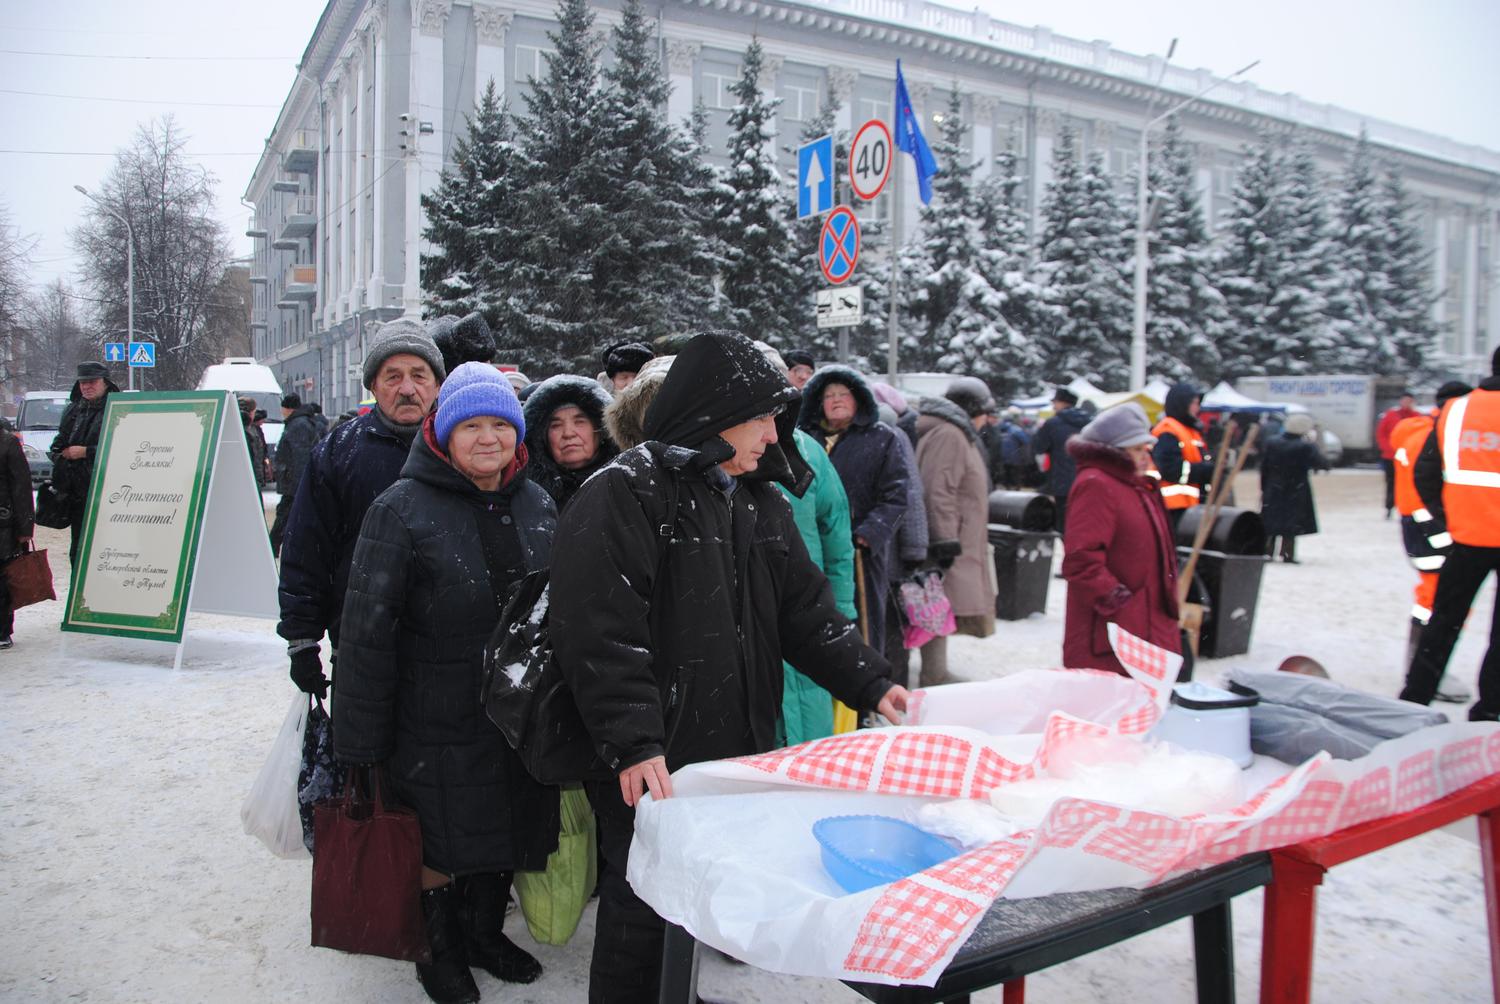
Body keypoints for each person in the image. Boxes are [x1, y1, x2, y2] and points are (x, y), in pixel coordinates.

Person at [550, 332, 908, 1004]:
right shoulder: (626, 491)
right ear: (718, 412)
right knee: (641, 905)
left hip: (728, 742)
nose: (775, 437)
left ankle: (673, 992)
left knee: (692, 894)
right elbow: (598, 630)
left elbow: (805, 610)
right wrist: (633, 740)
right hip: (651, 756)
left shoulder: (753, 496)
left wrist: (872, 679)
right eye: (764, 418)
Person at [335, 363, 556, 1004]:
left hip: (516, 714)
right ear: (443, 433)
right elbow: (367, 633)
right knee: (434, 836)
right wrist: (361, 743)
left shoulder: (537, 503)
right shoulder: (400, 509)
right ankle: (438, 948)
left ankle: (483, 931)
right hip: (430, 716)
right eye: (471, 426)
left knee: (502, 827)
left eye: (500, 425)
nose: (487, 438)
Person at [277, 319, 447, 698]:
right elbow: (307, 549)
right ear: (372, 385)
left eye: (419, 375)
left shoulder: (462, 445)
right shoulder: (339, 453)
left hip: (450, 653)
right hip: (360, 646)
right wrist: (302, 639)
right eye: (393, 376)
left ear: (437, 384)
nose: (407, 388)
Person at [755, 342, 859, 744]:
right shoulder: (727, 456)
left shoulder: (808, 451)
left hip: (811, 609)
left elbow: (837, 535)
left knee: (810, 717)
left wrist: (843, 609)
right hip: (758, 613)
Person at [1400, 348, 1500, 720]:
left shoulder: (1456, 410)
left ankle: (1414, 700)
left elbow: (1425, 474)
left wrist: (1451, 520)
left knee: (1442, 624)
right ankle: (1491, 710)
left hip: (1468, 538)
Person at [1061, 403, 1181, 675]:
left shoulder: (1136, 487)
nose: (1144, 457)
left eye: (1145, 449)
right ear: (1115, 451)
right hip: (1112, 631)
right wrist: (1119, 603)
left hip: (1145, 625)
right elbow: (1081, 560)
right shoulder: (1097, 484)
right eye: (1137, 449)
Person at [798, 365, 910, 655]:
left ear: (859, 399)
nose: (835, 400)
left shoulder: (881, 438)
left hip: (859, 551)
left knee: (863, 621)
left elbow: (897, 496)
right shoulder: (803, 440)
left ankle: (865, 685)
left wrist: (868, 534)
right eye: (829, 395)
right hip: (809, 547)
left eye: (843, 394)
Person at [909, 377, 999, 687]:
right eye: (985, 411)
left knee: (939, 603)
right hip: (950, 539)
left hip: (955, 534)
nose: (988, 418)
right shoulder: (950, 435)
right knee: (936, 602)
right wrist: (944, 539)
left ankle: (935, 670)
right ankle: (933, 673)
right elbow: (938, 490)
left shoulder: (953, 433)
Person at [1392, 381, 1473, 702]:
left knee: (1432, 595)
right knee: (1439, 598)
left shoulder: (1413, 431)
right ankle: (1426, 669)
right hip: (1433, 525)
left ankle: (1422, 665)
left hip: (1418, 524)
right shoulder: (1434, 435)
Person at [49, 361, 119, 569]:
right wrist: (61, 454)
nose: (87, 387)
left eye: (92, 382)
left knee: (108, 548)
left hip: (108, 490)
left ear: (105, 383)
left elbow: (124, 447)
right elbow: (58, 443)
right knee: (79, 550)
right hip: (77, 492)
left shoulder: (116, 408)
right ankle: (79, 593)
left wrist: (86, 452)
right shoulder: (74, 409)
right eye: (83, 383)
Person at [520, 374, 617, 509]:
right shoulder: (527, 500)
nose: (568, 433)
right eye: (556, 425)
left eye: (579, 422)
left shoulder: (626, 487)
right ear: (541, 438)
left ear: (601, 430)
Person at [1258, 412, 1330, 564]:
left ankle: (1267, 552)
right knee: (1291, 523)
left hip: (1273, 486)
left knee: (1271, 521)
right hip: (1296, 489)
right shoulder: (1305, 447)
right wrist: (1315, 444)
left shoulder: (1272, 443)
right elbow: (1322, 464)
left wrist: (1264, 487)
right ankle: (1287, 554)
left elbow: (1264, 466)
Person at [1151, 382, 1217, 533]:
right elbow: (1170, 469)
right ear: (1181, 403)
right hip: (1173, 508)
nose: (1197, 408)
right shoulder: (1168, 430)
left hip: (1190, 506)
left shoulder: (1190, 431)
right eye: (1193, 403)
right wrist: (1206, 471)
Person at [1031, 387, 1090, 532]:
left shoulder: (1053, 423)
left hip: (1062, 481)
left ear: (1063, 403)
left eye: (1055, 402)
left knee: (1063, 524)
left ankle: (1067, 550)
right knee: (1083, 521)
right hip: (1087, 479)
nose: (1053, 406)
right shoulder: (1090, 421)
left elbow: (1038, 447)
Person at [270, 392, 321, 556]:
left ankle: (273, 547)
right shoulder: (298, 422)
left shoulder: (298, 425)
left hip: (294, 483)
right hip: (294, 481)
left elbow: (300, 456)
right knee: (291, 514)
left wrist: (300, 485)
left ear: (287, 408)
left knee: (286, 514)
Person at [0, 422, 34, 648]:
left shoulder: (7, 443)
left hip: (3, 524)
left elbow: (21, 486)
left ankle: (2, 630)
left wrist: (25, 528)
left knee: (2, 579)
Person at [1377, 390, 1419, 519]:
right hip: (1391, 456)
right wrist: (1390, 448)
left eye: (1409, 401)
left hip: (1409, 457)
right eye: (1404, 400)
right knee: (1391, 483)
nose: (1406, 403)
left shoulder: (1416, 417)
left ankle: (1406, 508)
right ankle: (1389, 507)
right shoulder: (1391, 415)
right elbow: (1381, 434)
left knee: (1409, 484)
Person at [238, 396, 269, 491]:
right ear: (251, 412)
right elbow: (255, 459)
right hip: (250, 481)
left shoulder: (236, 427)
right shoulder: (250, 431)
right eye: (254, 411)